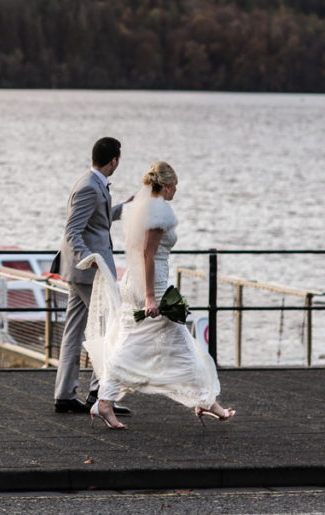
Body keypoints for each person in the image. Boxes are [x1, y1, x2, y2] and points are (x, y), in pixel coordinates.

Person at [81, 161, 234, 430]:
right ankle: (205, 400)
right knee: (180, 344)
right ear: (166, 185)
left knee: (132, 343)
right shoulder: (159, 210)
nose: (176, 190)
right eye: (175, 186)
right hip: (152, 286)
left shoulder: (138, 206)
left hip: (132, 283)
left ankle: (105, 401)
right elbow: (148, 254)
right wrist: (151, 297)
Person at [53, 137, 131, 415]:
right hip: (88, 272)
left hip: (79, 271)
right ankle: (98, 396)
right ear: (113, 160)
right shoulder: (89, 186)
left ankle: (64, 395)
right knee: (108, 328)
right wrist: (90, 259)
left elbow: (99, 219)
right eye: (118, 160)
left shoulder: (92, 182)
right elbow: (73, 230)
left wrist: (124, 208)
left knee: (74, 331)